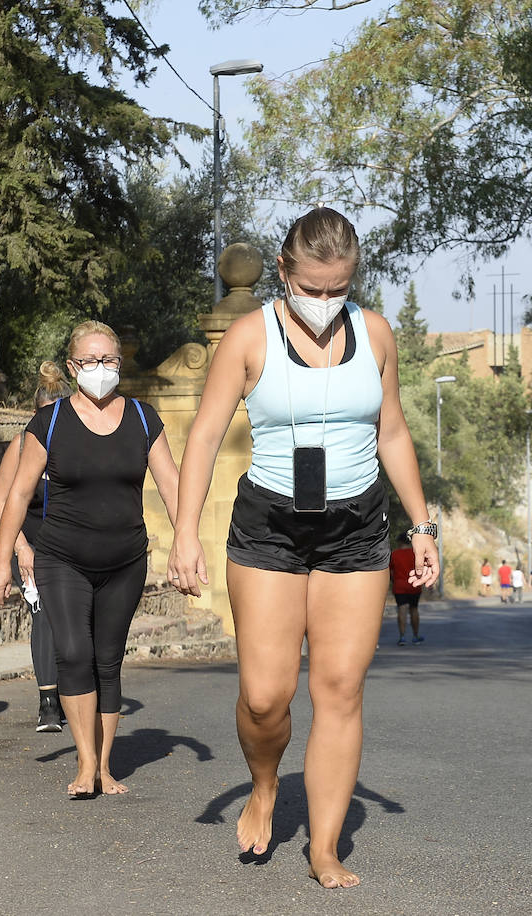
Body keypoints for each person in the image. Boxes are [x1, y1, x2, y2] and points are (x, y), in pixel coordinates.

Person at [167, 207, 440, 889]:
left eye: (338, 289)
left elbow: (394, 433)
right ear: (283, 272)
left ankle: (324, 848)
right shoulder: (248, 338)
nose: (324, 303)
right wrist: (182, 534)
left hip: (356, 529)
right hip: (270, 528)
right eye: (312, 288)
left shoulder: (375, 334)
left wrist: (423, 523)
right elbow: (202, 436)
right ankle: (264, 784)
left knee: (339, 689)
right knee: (265, 698)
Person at [0, 321, 180, 798]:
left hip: (125, 560)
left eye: (109, 360)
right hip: (61, 558)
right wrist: (1, 560)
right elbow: (17, 496)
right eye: (91, 361)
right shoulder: (48, 423)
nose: (101, 369)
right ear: (73, 367)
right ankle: (84, 762)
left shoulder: (142, 417)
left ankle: (106, 766)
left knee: (107, 660)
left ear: (119, 363)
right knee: (73, 653)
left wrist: (187, 542)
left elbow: (173, 486)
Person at [0, 363, 71, 732]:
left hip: (73, 543)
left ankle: (77, 694)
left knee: (76, 618)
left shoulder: (79, 443)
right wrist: (20, 547)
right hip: (33, 543)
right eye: (42, 417)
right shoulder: (23, 443)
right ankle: (49, 704)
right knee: (44, 614)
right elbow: (2, 499)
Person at [390, 533, 424, 646]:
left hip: (399, 586)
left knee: (402, 609)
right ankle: (415, 636)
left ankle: (402, 637)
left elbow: (390, 571)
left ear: (399, 542)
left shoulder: (394, 554)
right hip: (414, 585)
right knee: (414, 609)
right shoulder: (415, 553)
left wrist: (393, 581)